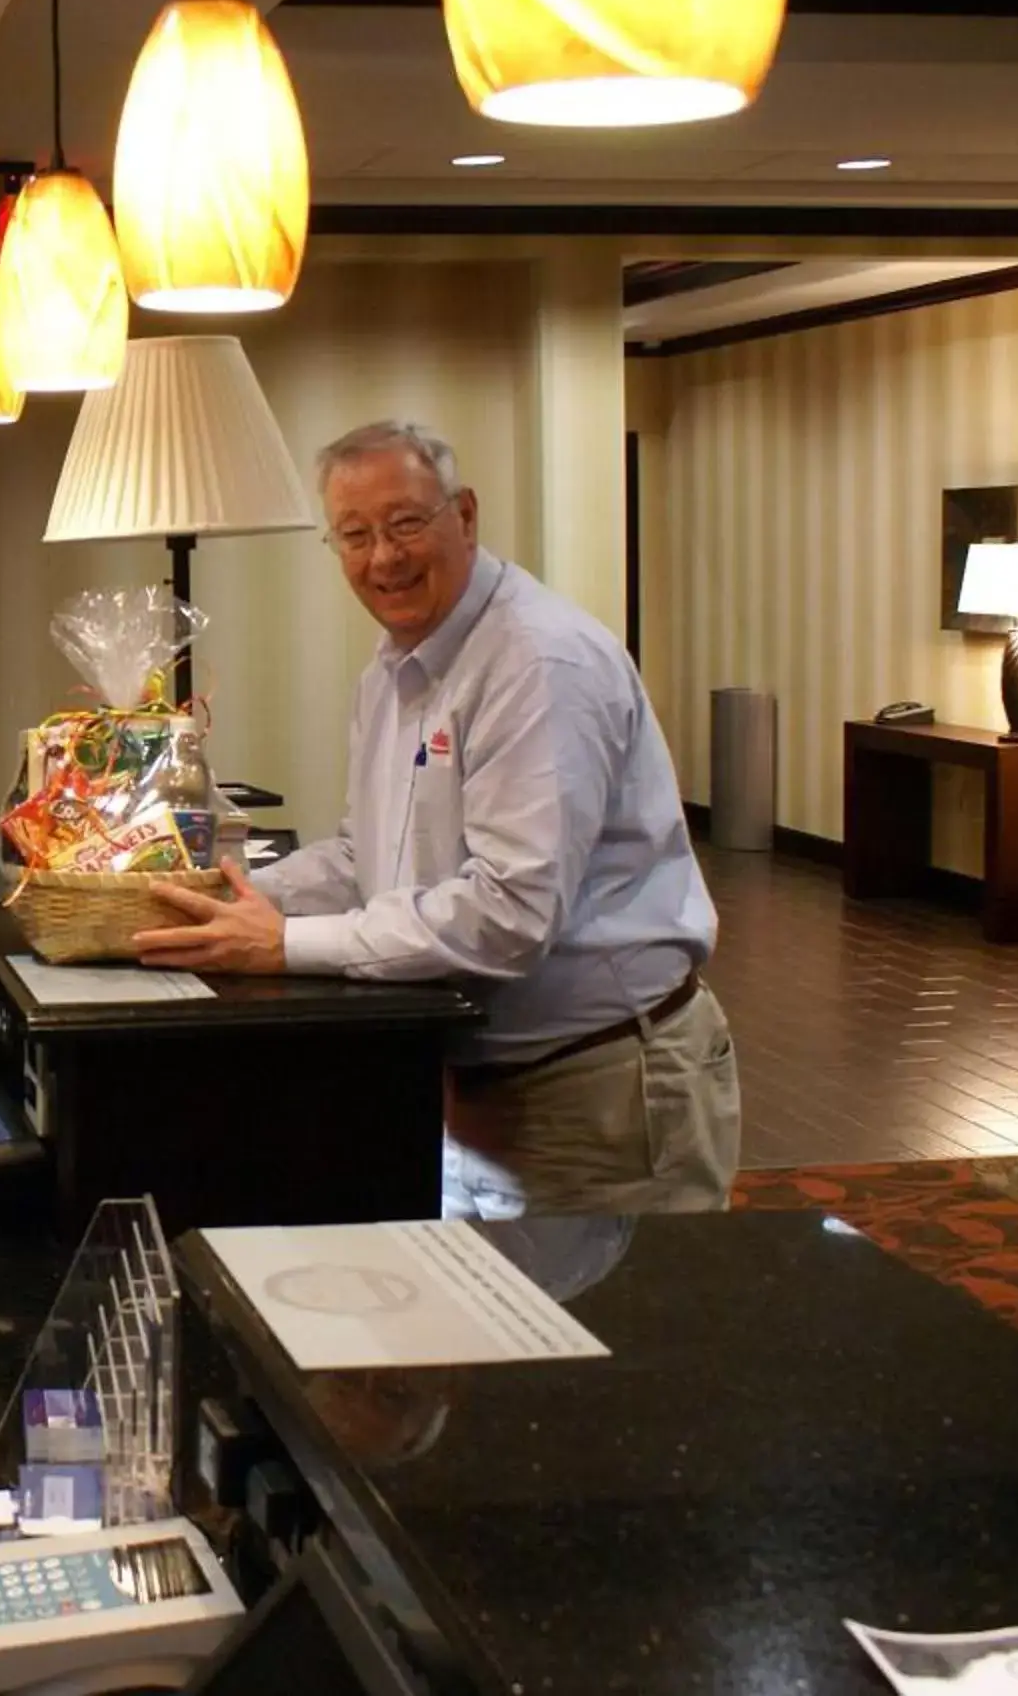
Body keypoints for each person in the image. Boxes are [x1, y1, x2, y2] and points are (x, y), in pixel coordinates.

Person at [133, 421, 737, 1220]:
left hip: (599, 1082)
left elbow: (511, 914)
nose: (384, 557)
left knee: (615, 1336)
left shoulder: (536, 663)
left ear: (466, 515)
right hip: (480, 1076)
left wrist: (283, 945)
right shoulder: (395, 668)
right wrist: (218, 891)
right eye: (354, 535)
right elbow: (363, 858)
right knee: (504, 1324)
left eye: (406, 523)